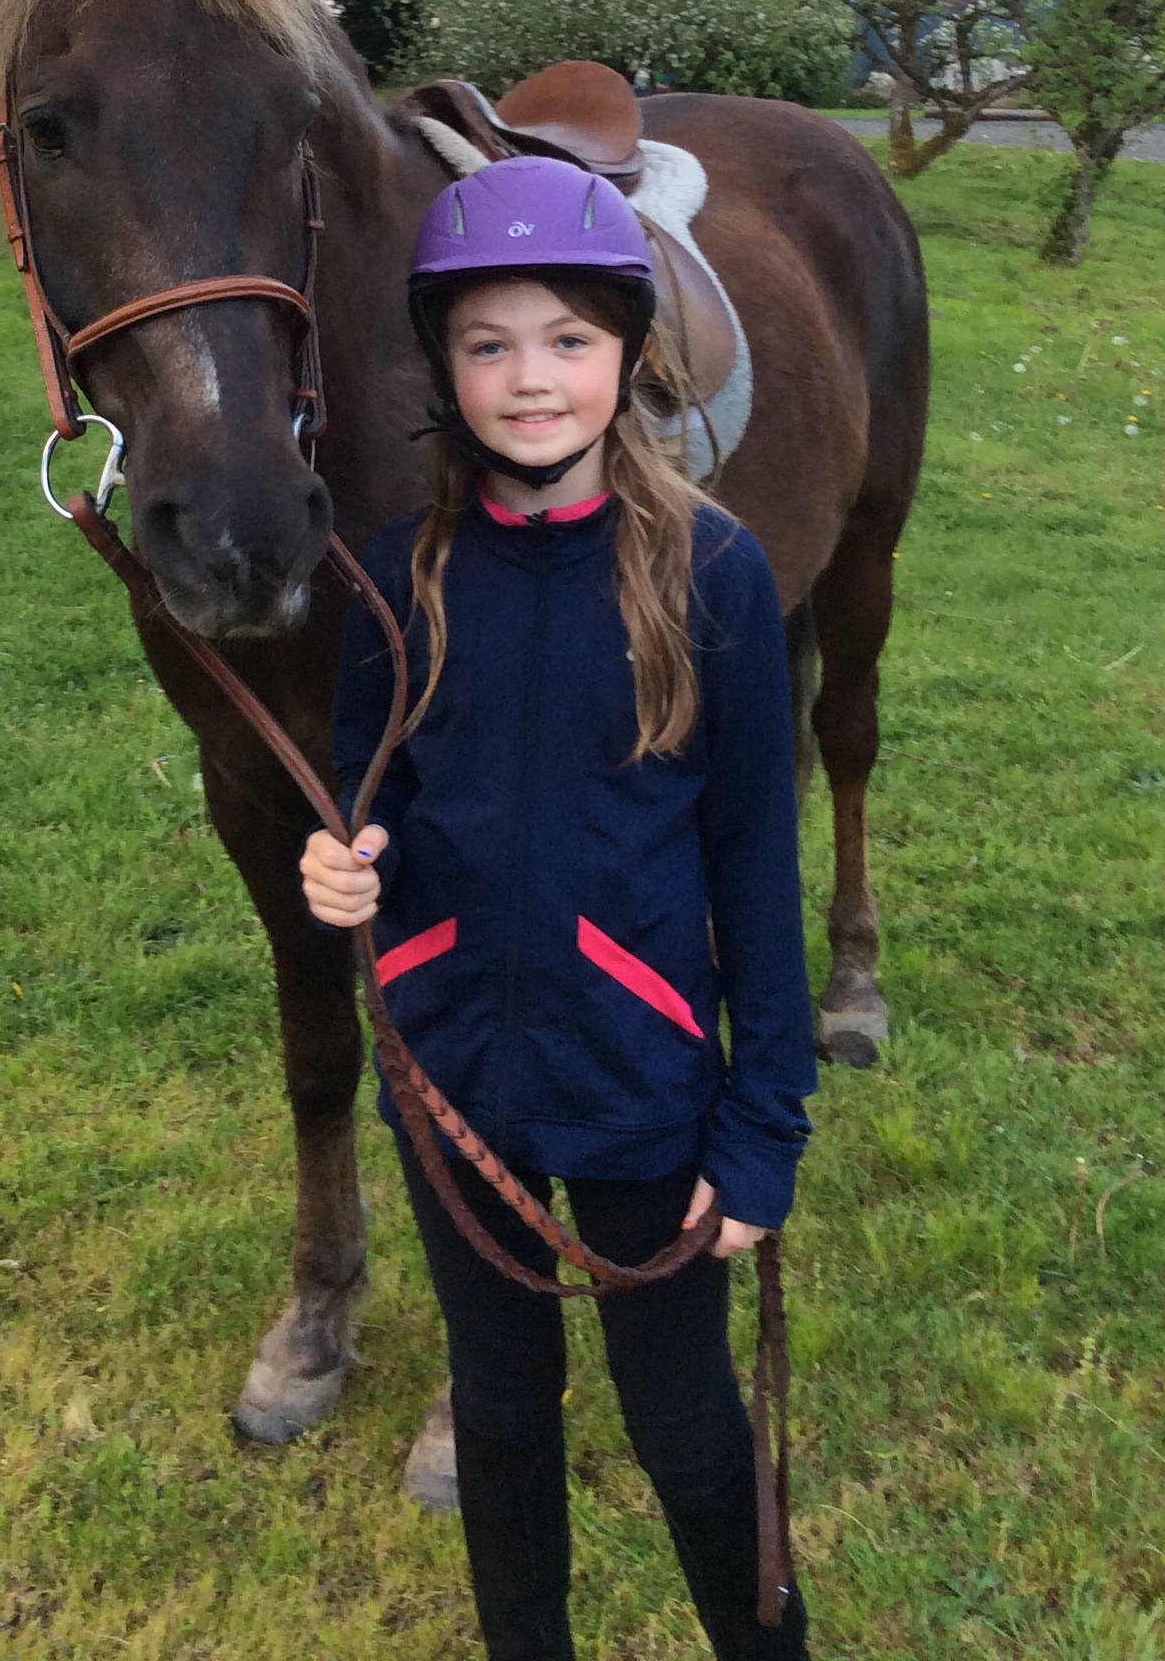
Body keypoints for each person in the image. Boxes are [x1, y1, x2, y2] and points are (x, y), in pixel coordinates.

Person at [301, 158, 816, 1661]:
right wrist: (346, 863)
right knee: (505, 1415)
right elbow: (363, 782)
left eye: (569, 340)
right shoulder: (400, 579)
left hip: (645, 1085)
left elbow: (751, 868)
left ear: (630, 356)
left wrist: (764, 1122)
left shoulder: (710, 574)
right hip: (452, 1081)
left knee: (685, 1424)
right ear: (444, 365)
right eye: (489, 345)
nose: (531, 380)